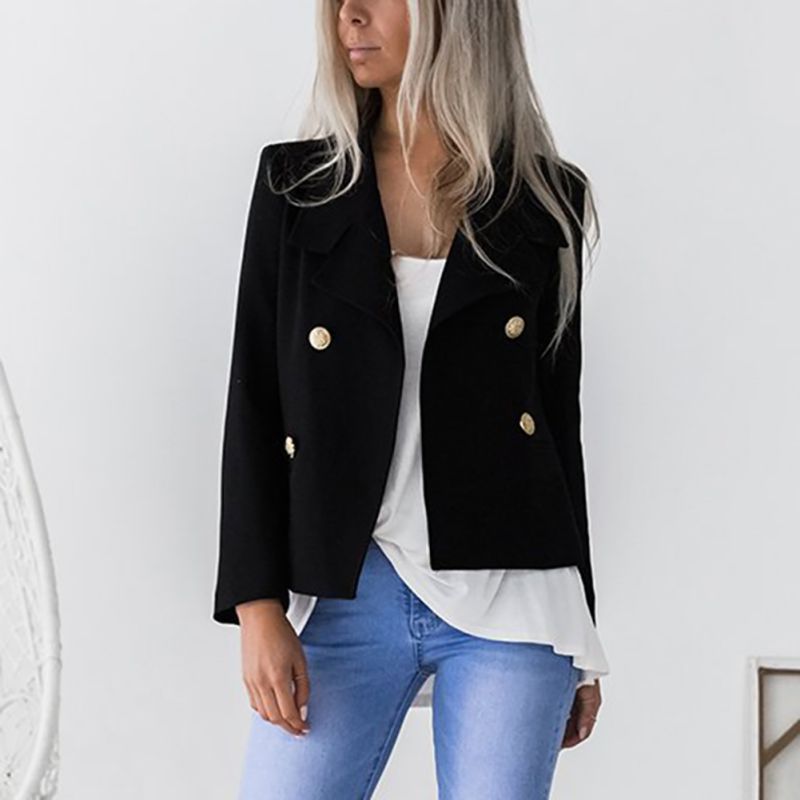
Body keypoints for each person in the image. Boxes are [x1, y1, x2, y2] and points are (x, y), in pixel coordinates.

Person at [213, 1, 609, 797]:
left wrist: (583, 637)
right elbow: (254, 400)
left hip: (514, 598)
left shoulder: (543, 199)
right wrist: (257, 604)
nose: (349, 16)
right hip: (346, 585)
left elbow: (555, 431)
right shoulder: (299, 186)